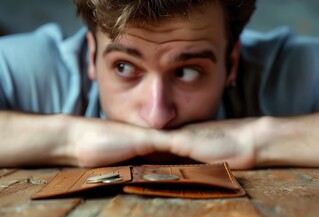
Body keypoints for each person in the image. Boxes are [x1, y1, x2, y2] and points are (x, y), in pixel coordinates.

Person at [0, 0, 319, 169]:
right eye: (124, 67)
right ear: (91, 56)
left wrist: (255, 140)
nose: (157, 116)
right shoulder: (38, 68)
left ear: (232, 62)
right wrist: (72, 138)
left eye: (188, 72)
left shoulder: (286, 69)